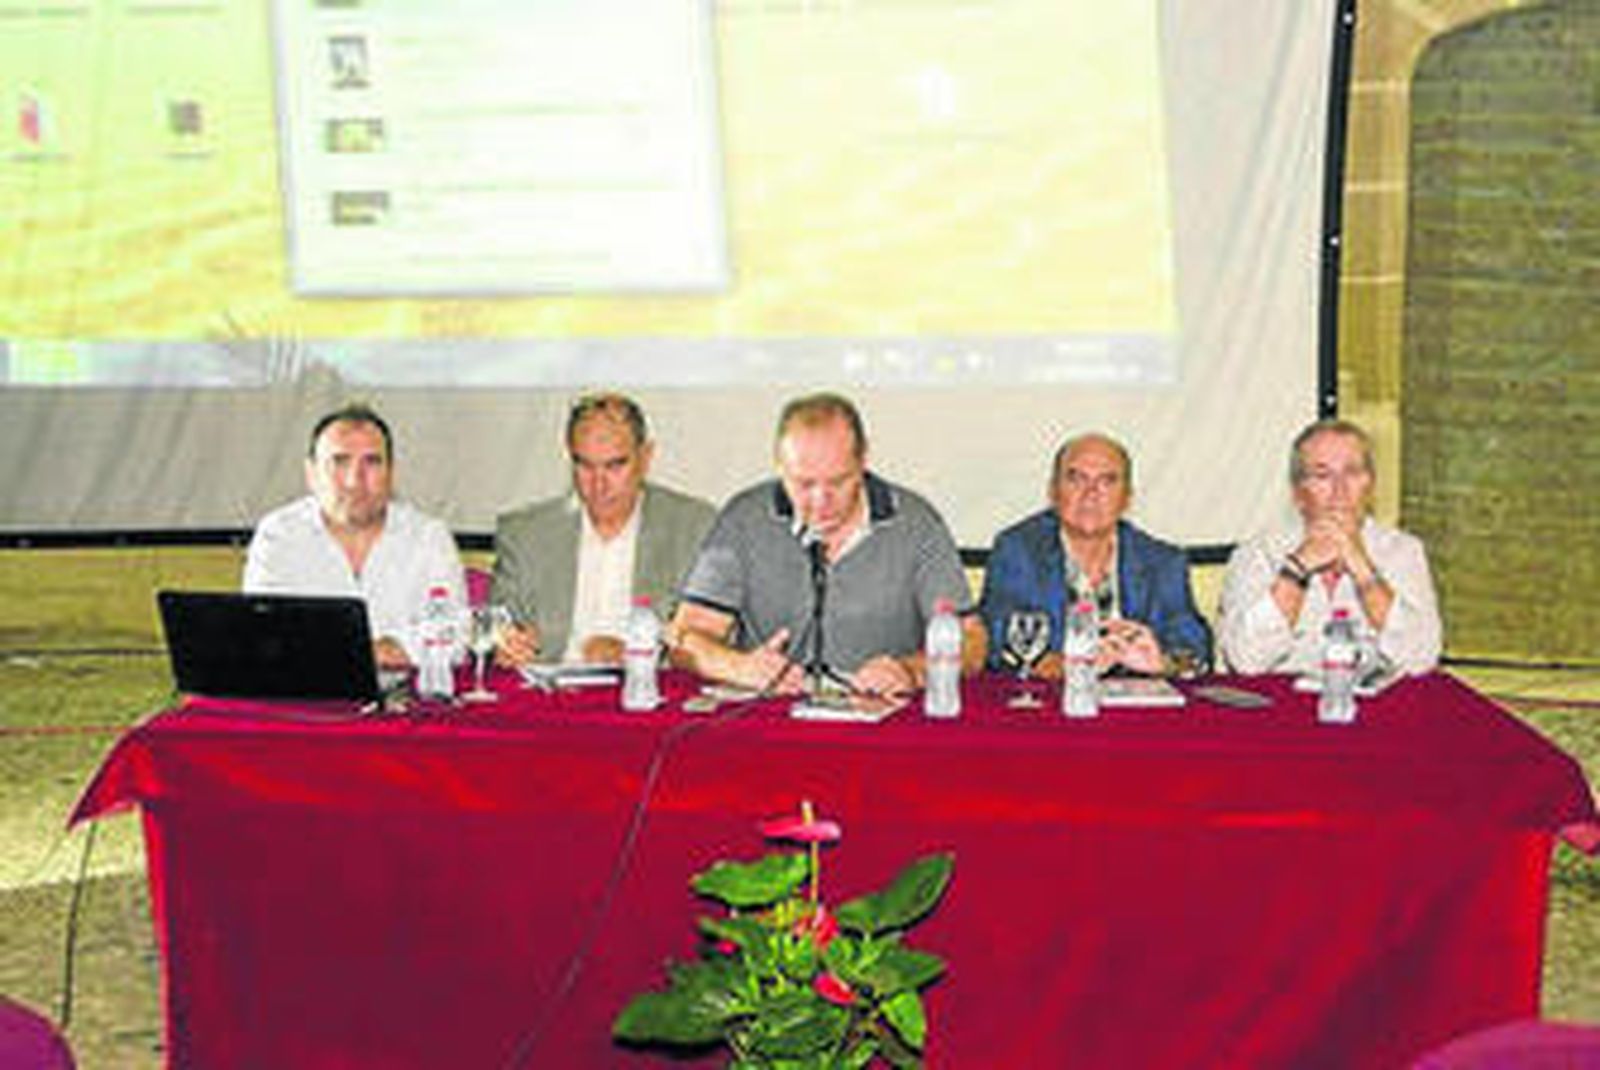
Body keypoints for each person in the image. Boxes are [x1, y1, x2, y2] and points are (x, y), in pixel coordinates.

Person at [672, 392, 985, 697]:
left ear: (863, 460)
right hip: (772, 713)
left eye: (838, 482)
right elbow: (685, 636)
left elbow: (971, 642)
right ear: (780, 466)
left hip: (880, 715)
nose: (821, 501)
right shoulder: (744, 517)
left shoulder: (916, 522)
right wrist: (739, 667)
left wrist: (910, 671)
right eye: (803, 483)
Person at [492, 393, 716, 665]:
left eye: (615, 465)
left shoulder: (693, 528)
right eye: (584, 465)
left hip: (647, 685)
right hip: (551, 684)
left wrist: (636, 653)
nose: (599, 485)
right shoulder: (525, 534)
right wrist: (505, 644)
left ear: (645, 458)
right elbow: (498, 627)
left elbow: (713, 642)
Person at [243, 403, 465, 670]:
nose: (355, 481)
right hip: (303, 689)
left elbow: (455, 636)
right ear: (311, 473)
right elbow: (266, 633)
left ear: (391, 474)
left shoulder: (428, 536)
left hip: (404, 692)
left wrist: (367, 651)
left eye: (372, 462)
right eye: (340, 462)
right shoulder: (278, 534)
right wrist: (378, 651)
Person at [1218, 418, 1442, 675]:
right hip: (1280, 698)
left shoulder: (1403, 551)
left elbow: (1421, 659)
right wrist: (1297, 568)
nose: (1340, 491)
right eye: (1322, 475)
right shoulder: (1257, 554)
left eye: (1352, 473)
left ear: (1370, 485)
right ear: (1298, 493)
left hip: (1373, 699)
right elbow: (1245, 661)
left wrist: (1363, 570)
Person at [980, 432, 1212, 677]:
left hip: (1136, 697)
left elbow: (1195, 647)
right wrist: (1061, 666)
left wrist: (1164, 662)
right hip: (1054, 695)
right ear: (1053, 492)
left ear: (1127, 498)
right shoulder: (1018, 551)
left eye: (1107, 481)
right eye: (1076, 479)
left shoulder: (1162, 561)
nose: (1090, 493)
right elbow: (996, 637)